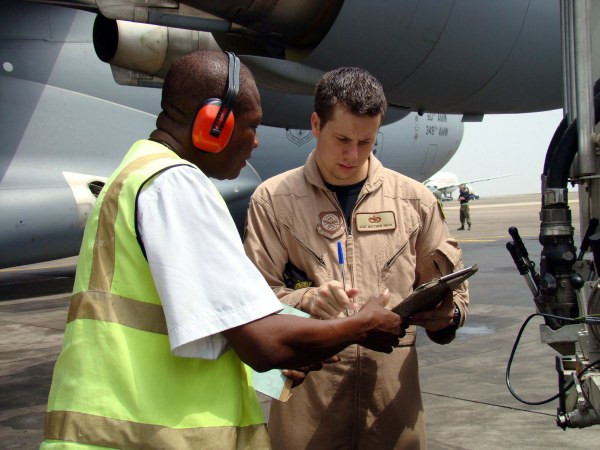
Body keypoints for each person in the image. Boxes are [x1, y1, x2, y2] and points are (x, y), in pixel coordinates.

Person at [40, 51, 404, 449]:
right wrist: (361, 325)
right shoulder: (175, 184)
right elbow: (263, 342)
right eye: (251, 126)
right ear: (213, 125)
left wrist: (291, 350)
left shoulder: (135, 175)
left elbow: (205, 327)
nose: (256, 141)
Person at [243, 67, 469, 449]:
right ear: (316, 124)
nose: (353, 154)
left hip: (392, 416)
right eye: (342, 139)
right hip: (307, 413)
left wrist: (448, 316)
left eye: (367, 142)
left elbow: (453, 293)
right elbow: (254, 302)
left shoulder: (415, 200)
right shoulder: (273, 201)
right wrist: (306, 299)